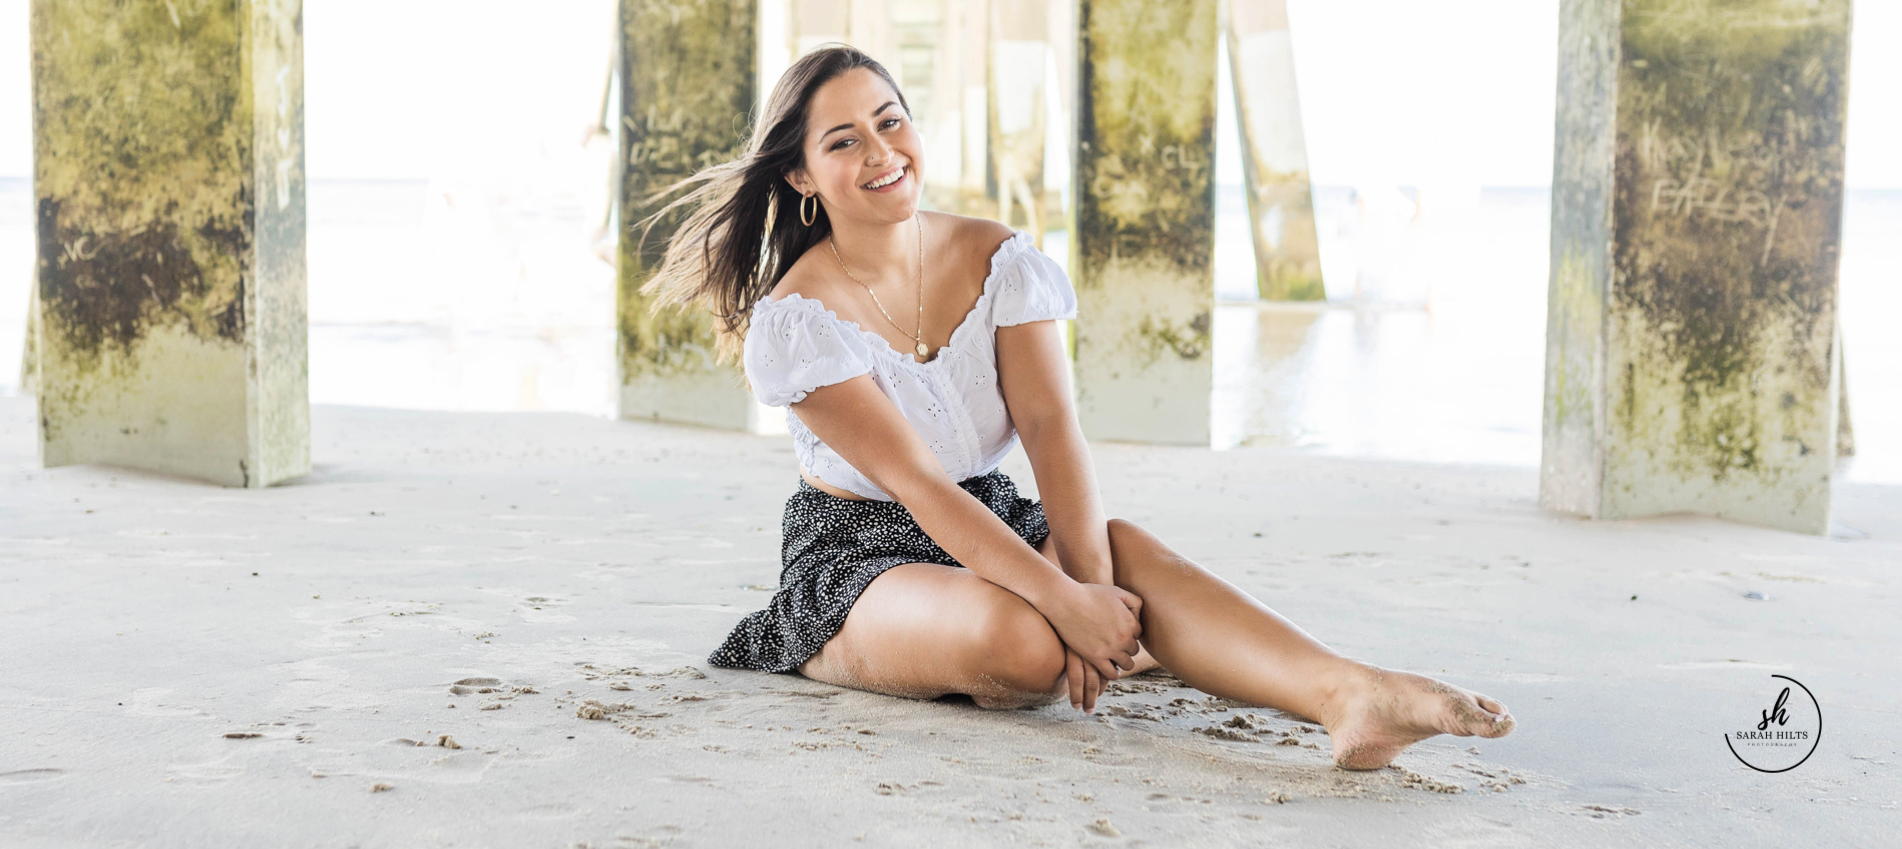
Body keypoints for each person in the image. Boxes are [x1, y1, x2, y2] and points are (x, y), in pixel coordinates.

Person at [643, 44, 1513, 769]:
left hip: (987, 517)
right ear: (801, 173)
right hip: (860, 549)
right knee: (1027, 647)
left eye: (891, 120)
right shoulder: (798, 320)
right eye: (843, 142)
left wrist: (1088, 588)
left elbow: (1053, 430)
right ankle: (839, 651)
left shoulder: (998, 259)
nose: (881, 153)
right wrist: (1067, 605)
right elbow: (915, 484)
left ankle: (1349, 695)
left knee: (1116, 553)